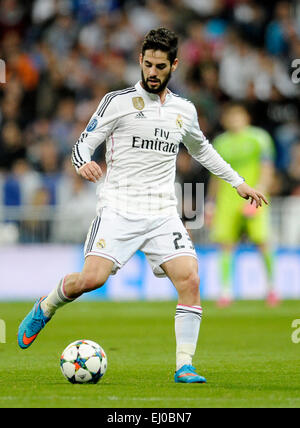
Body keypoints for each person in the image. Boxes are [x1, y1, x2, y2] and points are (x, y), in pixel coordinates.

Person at [18, 28, 268, 384]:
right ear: (140, 61)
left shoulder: (184, 110)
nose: (152, 71)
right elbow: (82, 144)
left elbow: (203, 150)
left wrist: (238, 182)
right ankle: (46, 306)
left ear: (174, 66)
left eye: (160, 66)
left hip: (163, 212)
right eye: (148, 63)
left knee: (190, 279)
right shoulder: (117, 102)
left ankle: (185, 365)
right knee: (91, 280)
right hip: (118, 208)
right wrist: (83, 163)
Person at [205, 102, 279, 307]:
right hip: (227, 200)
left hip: (255, 197)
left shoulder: (259, 138)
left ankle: (272, 288)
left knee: (262, 241)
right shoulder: (220, 142)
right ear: (225, 120)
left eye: (238, 116)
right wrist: (211, 203)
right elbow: (215, 176)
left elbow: (267, 167)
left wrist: (261, 190)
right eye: (231, 117)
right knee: (226, 244)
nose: (235, 120)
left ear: (246, 118)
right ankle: (226, 291)